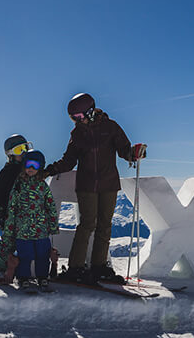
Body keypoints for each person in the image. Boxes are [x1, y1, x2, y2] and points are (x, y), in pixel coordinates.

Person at [43, 92, 146, 284]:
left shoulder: (111, 127)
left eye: (79, 117)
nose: (76, 121)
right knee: (87, 224)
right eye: (73, 118)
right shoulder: (77, 134)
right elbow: (69, 160)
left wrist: (134, 153)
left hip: (108, 184)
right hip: (86, 185)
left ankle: (98, 267)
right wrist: (49, 170)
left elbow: (124, 150)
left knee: (104, 225)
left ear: (90, 112)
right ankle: (75, 268)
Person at [2, 150, 60, 291]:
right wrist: (10, 226)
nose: (31, 169)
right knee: (25, 255)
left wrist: (53, 225)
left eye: (35, 165)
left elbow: (50, 206)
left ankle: (42, 277)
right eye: (28, 164)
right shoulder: (19, 185)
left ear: (40, 167)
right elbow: (12, 207)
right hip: (23, 230)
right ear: (24, 165)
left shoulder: (42, 186)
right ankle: (23, 278)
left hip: (41, 230)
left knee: (42, 255)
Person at [0, 134, 32, 284]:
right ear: (10, 155)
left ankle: (23, 272)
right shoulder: (6, 173)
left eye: (25, 147)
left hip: (28, 214)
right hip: (10, 215)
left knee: (26, 243)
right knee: (7, 242)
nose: (23, 152)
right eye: (18, 150)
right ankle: (1, 270)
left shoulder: (31, 170)